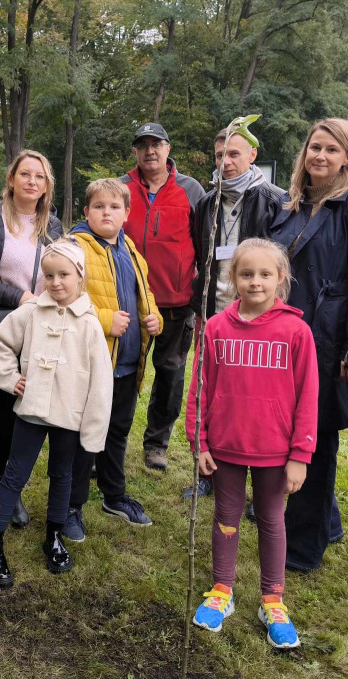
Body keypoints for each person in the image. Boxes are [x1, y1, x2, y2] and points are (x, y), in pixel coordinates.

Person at [185, 238, 317, 649]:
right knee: (225, 515)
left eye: (264, 274)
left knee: (271, 520)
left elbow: (308, 396)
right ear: (232, 279)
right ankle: (222, 589)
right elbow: (199, 389)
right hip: (224, 447)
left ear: (281, 278)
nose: (255, 282)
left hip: (275, 453)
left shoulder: (296, 331)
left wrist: (300, 455)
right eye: (246, 274)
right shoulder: (216, 328)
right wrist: (199, 439)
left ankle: (272, 599)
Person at [268, 118, 348, 572]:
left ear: (347, 157)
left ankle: (302, 547)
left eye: (332, 150)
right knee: (283, 430)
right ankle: (326, 522)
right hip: (283, 335)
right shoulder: (291, 206)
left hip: (325, 337)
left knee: (313, 439)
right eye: (315, 147)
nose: (320, 156)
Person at [0, 239, 114, 588]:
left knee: (62, 475)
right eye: (49, 275)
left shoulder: (89, 324)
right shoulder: (31, 312)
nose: (55, 282)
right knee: (14, 474)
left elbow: (101, 382)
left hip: (70, 414)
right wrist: (9, 378)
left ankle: (53, 536)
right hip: (32, 410)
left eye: (64, 275)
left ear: (79, 276)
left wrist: (94, 430)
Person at [0, 150, 65, 528]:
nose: (32, 181)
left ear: (46, 184)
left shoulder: (52, 225)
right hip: (1, 330)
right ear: (11, 179)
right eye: (25, 174)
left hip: (41, 331)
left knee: (26, 410)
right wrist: (18, 296)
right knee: (6, 408)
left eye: (40, 176)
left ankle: (10, 486)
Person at [185, 124, 287, 499]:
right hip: (215, 312)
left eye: (233, 154)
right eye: (219, 155)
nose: (225, 162)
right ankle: (208, 469)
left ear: (252, 156)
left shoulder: (276, 200)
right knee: (212, 391)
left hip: (258, 315)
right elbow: (201, 256)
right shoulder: (207, 203)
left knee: (253, 394)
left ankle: (260, 481)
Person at [64, 178, 163, 541]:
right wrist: (105, 319)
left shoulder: (131, 250)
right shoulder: (74, 248)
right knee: (82, 436)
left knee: (117, 431)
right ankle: (71, 505)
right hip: (91, 363)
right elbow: (60, 297)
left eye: (114, 207)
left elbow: (144, 294)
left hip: (127, 363)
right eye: (99, 206)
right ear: (86, 211)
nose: (107, 212)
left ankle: (113, 495)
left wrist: (155, 318)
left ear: (126, 214)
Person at [119, 123, 204, 471]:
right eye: (143, 145)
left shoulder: (191, 190)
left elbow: (204, 245)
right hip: (127, 301)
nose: (149, 151)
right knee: (120, 375)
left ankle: (156, 444)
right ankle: (111, 440)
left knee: (170, 377)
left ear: (168, 149)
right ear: (136, 152)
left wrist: (199, 299)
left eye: (156, 144)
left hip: (175, 303)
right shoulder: (121, 188)